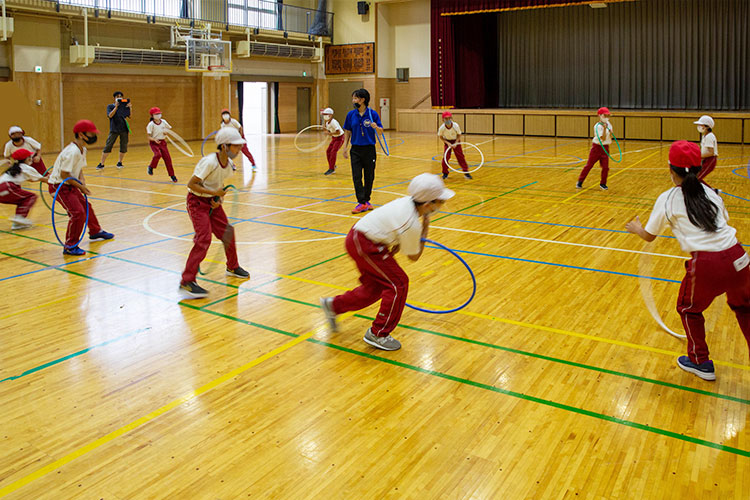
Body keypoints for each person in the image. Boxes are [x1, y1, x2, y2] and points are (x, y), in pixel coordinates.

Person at [625, 140, 750, 381]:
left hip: (707, 264)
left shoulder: (668, 198)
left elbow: (649, 237)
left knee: (688, 308)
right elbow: (723, 222)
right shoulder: (711, 193)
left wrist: (637, 228)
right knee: (746, 310)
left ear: (671, 170)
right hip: (739, 257)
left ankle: (700, 361)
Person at [319, 173, 455, 351]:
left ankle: (333, 305)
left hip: (363, 240)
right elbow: (414, 256)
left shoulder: (407, 202)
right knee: (399, 283)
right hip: (365, 245)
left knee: (374, 289)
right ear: (428, 205)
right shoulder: (411, 223)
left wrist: (396, 241)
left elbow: (393, 228)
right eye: (440, 202)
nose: (442, 205)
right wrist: (426, 227)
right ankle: (378, 333)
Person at [179, 127, 250, 299]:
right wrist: (213, 194)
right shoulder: (209, 162)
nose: (239, 150)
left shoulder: (229, 165)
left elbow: (218, 186)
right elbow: (192, 184)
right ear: (224, 146)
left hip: (212, 203)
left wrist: (217, 200)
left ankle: (232, 267)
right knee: (203, 238)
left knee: (228, 232)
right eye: (236, 147)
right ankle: (186, 281)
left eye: (240, 147)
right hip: (197, 202)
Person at [49, 120, 115, 256]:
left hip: (70, 184)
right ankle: (70, 246)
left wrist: (82, 181)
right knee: (77, 213)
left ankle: (95, 231)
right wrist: (81, 188)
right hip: (59, 186)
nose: (93, 136)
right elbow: (64, 173)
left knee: (86, 206)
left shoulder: (82, 149)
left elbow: (78, 169)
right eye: (91, 133)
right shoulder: (72, 151)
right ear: (81, 134)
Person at [342, 88, 384, 214]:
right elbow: (348, 131)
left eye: (355, 98)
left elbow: (381, 132)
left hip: (369, 149)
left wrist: (376, 127)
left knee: (369, 176)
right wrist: (345, 147)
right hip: (355, 149)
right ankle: (361, 202)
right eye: (353, 98)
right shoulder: (351, 114)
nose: (353, 100)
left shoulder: (372, 114)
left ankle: (366, 200)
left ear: (362, 100)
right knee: (356, 176)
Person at [0, 148, 48, 230]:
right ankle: (19, 218)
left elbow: (31, 179)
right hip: (7, 187)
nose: (31, 158)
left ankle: (17, 224)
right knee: (31, 197)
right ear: (27, 159)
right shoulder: (26, 168)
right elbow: (44, 179)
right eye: (30, 156)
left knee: (22, 200)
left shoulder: (15, 168)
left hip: (3, 189)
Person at [577, 107, 613, 190]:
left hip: (605, 147)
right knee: (589, 165)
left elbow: (610, 137)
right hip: (597, 148)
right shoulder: (597, 126)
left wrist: (610, 133)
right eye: (605, 115)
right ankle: (580, 181)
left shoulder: (609, 124)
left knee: (605, 167)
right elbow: (603, 138)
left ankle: (603, 183)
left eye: (608, 115)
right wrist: (604, 129)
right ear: (600, 115)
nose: (607, 117)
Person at [96, 91, 131, 170]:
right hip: (114, 129)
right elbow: (110, 115)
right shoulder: (110, 106)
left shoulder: (124, 106)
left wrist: (129, 108)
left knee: (123, 145)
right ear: (114, 98)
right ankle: (102, 163)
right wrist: (116, 107)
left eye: (121, 96)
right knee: (108, 145)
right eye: (117, 96)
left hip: (124, 129)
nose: (119, 97)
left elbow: (129, 116)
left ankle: (120, 162)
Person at [146, 107, 177, 182]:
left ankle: (172, 175)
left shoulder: (163, 121)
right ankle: (151, 167)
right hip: (154, 143)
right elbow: (148, 137)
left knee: (168, 159)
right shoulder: (151, 124)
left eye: (159, 113)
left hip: (162, 142)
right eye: (156, 114)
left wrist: (166, 131)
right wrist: (154, 140)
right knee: (157, 155)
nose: (158, 115)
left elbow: (168, 128)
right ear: (152, 115)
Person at [438, 111, 471, 180]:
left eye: (449, 118)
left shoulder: (455, 126)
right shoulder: (442, 128)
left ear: (451, 118)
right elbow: (440, 136)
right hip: (447, 142)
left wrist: (456, 142)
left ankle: (466, 173)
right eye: (446, 119)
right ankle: (445, 173)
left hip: (456, 141)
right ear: (443, 120)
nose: (448, 120)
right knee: (445, 158)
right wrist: (447, 143)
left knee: (460, 157)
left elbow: (459, 134)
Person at [321, 107, 345, 176]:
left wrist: (330, 133)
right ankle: (332, 165)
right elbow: (329, 131)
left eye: (326, 114)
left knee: (333, 152)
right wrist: (325, 130)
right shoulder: (327, 123)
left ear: (330, 115)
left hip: (340, 138)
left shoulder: (333, 122)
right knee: (328, 151)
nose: (324, 116)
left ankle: (331, 169)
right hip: (334, 138)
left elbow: (338, 132)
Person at [694, 115, 718, 181]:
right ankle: (713, 190)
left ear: (707, 126)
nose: (699, 126)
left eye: (701, 125)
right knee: (697, 178)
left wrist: (697, 156)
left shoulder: (709, 136)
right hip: (705, 160)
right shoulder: (705, 136)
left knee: (697, 178)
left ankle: (712, 191)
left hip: (710, 160)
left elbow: (711, 152)